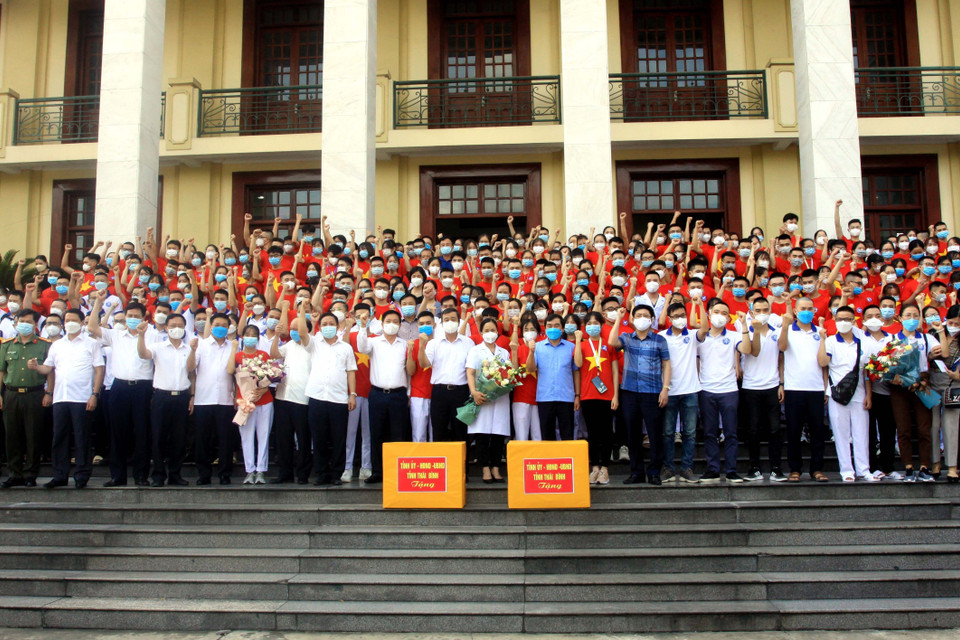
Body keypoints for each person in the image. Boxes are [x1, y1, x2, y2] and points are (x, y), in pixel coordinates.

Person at [86, 291, 154, 487]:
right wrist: (98, 302)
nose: (132, 319)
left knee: (142, 433)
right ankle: (118, 475)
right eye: (129, 316)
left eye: (136, 316)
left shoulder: (153, 336)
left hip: (143, 387)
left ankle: (141, 476)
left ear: (144, 318)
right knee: (117, 432)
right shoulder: (115, 334)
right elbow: (92, 327)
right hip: (119, 387)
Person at [31, 309, 104, 489]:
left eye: (73, 320)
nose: (69, 322)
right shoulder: (57, 345)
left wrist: (94, 394)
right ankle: (60, 475)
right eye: (67, 320)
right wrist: (35, 367)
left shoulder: (91, 343)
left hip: (82, 397)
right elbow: (48, 369)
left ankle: (81, 475)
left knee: (82, 437)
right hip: (60, 397)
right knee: (60, 438)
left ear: (81, 322)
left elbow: (99, 369)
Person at [608, 305, 670, 485]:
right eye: (638, 315)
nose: (642, 318)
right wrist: (619, 319)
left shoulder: (659, 340)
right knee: (633, 434)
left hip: (652, 392)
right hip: (630, 393)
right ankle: (636, 472)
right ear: (633, 319)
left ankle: (654, 472)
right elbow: (612, 342)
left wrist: (665, 388)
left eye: (646, 315)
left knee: (654, 434)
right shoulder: (627, 338)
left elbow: (666, 364)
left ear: (651, 320)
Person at [136, 313, 194, 487]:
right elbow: (143, 354)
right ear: (166, 328)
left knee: (179, 438)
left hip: (182, 396)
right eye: (172, 325)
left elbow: (192, 372)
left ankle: (175, 474)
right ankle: (158, 475)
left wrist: (192, 396)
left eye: (180, 325)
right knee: (159, 437)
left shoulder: (189, 348)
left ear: (184, 329)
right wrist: (140, 336)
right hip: (162, 396)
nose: (176, 328)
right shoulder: (158, 346)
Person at [818, 307, 874, 482]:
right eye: (840, 319)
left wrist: (869, 395)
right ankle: (846, 470)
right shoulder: (831, 341)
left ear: (854, 321)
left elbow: (867, 371)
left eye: (847, 319)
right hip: (837, 393)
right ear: (834, 319)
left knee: (861, 433)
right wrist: (822, 340)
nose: (844, 322)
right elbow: (822, 362)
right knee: (841, 433)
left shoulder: (863, 342)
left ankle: (864, 469)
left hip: (859, 393)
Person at [696, 300, 748, 483]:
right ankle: (713, 469)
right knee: (709, 432)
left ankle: (732, 470)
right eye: (716, 311)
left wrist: (745, 326)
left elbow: (747, 349)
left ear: (728, 317)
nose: (719, 315)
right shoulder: (700, 337)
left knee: (731, 432)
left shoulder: (734, 336)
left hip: (729, 390)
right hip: (706, 389)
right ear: (709, 314)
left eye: (724, 312)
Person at [303, 311, 357, 486]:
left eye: (330, 323)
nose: (328, 327)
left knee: (339, 438)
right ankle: (321, 473)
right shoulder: (314, 344)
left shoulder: (346, 347)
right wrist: (304, 311)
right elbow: (303, 333)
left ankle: (336, 473)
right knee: (319, 438)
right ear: (319, 327)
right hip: (317, 397)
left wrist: (352, 394)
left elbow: (350, 372)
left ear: (337, 326)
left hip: (339, 399)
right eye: (324, 324)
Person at [779, 297, 829, 482]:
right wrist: (785, 326)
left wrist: (825, 387)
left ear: (815, 311)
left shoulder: (820, 333)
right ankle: (795, 469)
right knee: (793, 430)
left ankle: (817, 469)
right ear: (796, 311)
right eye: (803, 308)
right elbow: (781, 349)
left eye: (810, 308)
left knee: (817, 431)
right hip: (794, 388)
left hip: (816, 388)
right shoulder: (788, 330)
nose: (806, 311)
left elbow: (824, 364)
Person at [357, 309, 410, 484]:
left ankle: (397, 471)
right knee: (377, 433)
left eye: (396, 321)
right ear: (382, 323)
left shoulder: (404, 345)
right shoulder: (374, 342)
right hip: (377, 393)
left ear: (400, 325)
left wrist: (408, 394)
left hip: (399, 395)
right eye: (388, 321)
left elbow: (409, 372)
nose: (392, 324)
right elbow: (361, 347)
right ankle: (378, 471)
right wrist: (363, 327)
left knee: (398, 434)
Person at [0, 310, 51, 488]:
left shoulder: (44, 345)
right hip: (11, 394)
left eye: (28, 321)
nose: (24, 324)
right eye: (21, 320)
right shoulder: (7, 345)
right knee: (12, 435)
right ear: (15, 322)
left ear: (35, 325)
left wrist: (49, 392)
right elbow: (2, 371)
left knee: (33, 435)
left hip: (34, 393)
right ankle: (15, 473)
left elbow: (50, 370)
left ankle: (30, 474)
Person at [738, 297, 786, 482]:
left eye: (766, 309)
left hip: (772, 385)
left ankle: (776, 468)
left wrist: (781, 383)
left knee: (775, 429)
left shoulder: (777, 331)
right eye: (758, 310)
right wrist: (755, 331)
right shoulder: (745, 332)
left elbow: (782, 355)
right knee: (753, 429)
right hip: (751, 386)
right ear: (752, 312)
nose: (762, 313)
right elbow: (753, 351)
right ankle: (754, 467)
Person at [187, 311, 237, 485]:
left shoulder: (234, 345)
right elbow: (191, 369)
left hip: (226, 399)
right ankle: (204, 474)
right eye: (217, 325)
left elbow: (236, 374)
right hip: (204, 399)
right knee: (202, 439)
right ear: (211, 326)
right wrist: (192, 352)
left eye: (224, 326)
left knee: (226, 439)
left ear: (229, 327)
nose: (220, 328)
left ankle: (225, 474)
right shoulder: (200, 345)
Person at [890, 302, 938, 482]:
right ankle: (908, 467)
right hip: (900, 387)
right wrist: (894, 376)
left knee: (925, 428)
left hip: (922, 384)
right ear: (900, 318)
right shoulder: (893, 339)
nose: (912, 319)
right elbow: (886, 364)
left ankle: (925, 467)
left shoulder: (927, 338)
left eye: (915, 316)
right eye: (908, 315)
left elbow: (938, 353)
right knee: (903, 429)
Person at [270, 304, 313, 484]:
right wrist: (277, 336)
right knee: (283, 439)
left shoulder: (312, 345)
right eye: (292, 329)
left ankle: (303, 474)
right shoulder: (288, 345)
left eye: (297, 329)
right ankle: (285, 473)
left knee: (303, 439)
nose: (294, 331)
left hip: (302, 399)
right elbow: (274, 355)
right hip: (282, 397)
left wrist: (301, 310)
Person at [575, 312, 618, 485]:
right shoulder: (583, 345)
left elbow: (615, 371)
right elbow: (578, 364)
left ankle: (605, 469)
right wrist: (578, 341)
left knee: (606, 432)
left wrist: (616, 394)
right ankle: (594, 468)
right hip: (588, 395)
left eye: (596, 322)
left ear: (601, 325)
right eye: (589, 323)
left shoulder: (609, 344)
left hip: (607, 395)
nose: (593, 325)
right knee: (592, 434)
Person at [227, 325, 275, 485]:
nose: (250, 337)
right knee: (246, 438)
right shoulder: (237, 356)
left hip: (264, 401)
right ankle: (249, 471)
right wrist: (233, 349)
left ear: (258, 338)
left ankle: (261, 470)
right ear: (242, 337)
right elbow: (229, 372)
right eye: (247, 334)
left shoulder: (264, 355)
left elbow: (274, 376)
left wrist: (263, 389)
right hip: (245, 402)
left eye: (254, 335)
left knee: (263, 436)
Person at [659, 303, 700, 484]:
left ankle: (686, 468)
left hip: (690, 390)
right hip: (669, 390)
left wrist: (697, 305)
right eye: (676, 316)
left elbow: (704, 328)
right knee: (667, 432)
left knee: (690, 433)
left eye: (682, 315)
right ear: (669, 318)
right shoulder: (660, 337)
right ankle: (667, 467)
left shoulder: (692, 335)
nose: (680, 318)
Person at [466, 317, 511, 483]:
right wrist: (474, 392)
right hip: (481, 396)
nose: (490, 333)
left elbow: (508, 373)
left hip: (500, 398)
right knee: (482, 434)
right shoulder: (475, 350)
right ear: (481, 332)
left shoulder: (504, 352)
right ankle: (485, 468)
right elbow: (470, 372)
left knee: (498, 434)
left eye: (493, 330)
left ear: (498, 332)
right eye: (486, 331)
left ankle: (496, 467)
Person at [422, 307, 473, 442]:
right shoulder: (433, 343)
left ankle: (462, 462)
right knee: (439, 430)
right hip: (440, 391)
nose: (450, 322)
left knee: (461, 431)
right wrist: (421, 346)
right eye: (446, 320)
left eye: (453, 319)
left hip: (461, 392)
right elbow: (424, 364)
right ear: (441, 323)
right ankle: (441, 462)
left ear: (458, 321)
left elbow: (472, 369)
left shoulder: (468, 342)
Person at [527, 313, 579, 441]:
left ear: (562, 329)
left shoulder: (571, 347)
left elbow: (576, 371)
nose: (553, 328)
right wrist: (531, 352)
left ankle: (567, 460)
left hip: (566, 397)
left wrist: (577, 395)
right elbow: (530, 369)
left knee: (567, 435)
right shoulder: (537, 347)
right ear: (545, 329)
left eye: (557, 326)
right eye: (549, 326)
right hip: (545, 397)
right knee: (547, 435)